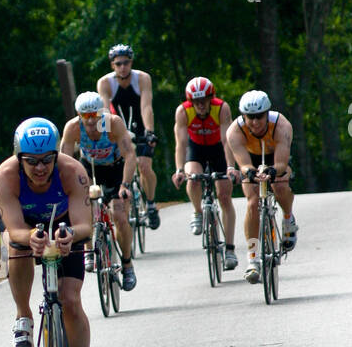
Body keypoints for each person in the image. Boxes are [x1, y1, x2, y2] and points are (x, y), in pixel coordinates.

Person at [0, 117, 97, 347]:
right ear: (18, 158)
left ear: (56, 155)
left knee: (71, 302)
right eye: (32, 162)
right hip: (25, 228)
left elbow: (84, 225)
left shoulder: (73, 171)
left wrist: (69, 237)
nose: (40, 168)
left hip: (64, 225)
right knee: (17, 247)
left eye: (47, 160)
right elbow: (13, 228)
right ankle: (23, 315)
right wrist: (32, 239)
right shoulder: (5, 176)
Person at [60, 90, 138, 290]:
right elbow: (64, 160)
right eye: (85, 116)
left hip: (115, 168)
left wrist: (125, 185)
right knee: (82, 209)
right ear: (79, 115)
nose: (91, 120)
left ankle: (127, 264)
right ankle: (88, 250)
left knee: (120, 216)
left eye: (94, 115)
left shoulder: (113, 123)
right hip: (89, 167)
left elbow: (130, 155)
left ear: (100, 113)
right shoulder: (73, 128)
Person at [225, 90, 297, 283]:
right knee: (252, 202)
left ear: (267, 113)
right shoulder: (234, 131)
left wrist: (274, 172)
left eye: (259, 117)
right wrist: (249, 172)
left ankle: (288, 219)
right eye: (250, 117)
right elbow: (243, 163)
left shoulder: (281, 125)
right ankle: (253, 258)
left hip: (276, 158)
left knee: (280, 187)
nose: (255, 122)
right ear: (243, 116)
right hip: (250, 159)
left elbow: (281, 164)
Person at [171, 77, 240, 270]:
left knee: (224, 196)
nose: (200, 105)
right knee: (193, 179)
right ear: (190, 101)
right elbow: (181, 144)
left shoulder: (222, 108)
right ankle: (198, 212)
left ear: (211, 98)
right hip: (196, 149)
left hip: (218, 148)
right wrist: (178, 170)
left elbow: (227, 141)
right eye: (196, 101)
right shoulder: (183, 111)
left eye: (204, 100)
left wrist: (230, 167)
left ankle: (230, 249)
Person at [97, 43, 161, 229]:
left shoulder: (142, 78)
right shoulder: (105, 83)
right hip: (117, 129)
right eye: (118, 64)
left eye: (126, 63)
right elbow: (104, 110)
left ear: (131, 62)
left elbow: (146, 106)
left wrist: (149, 131)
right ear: (112, 65)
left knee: (144, 165)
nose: (122, 67)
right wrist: (105, 135)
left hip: (140, 127)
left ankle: (150, 203)